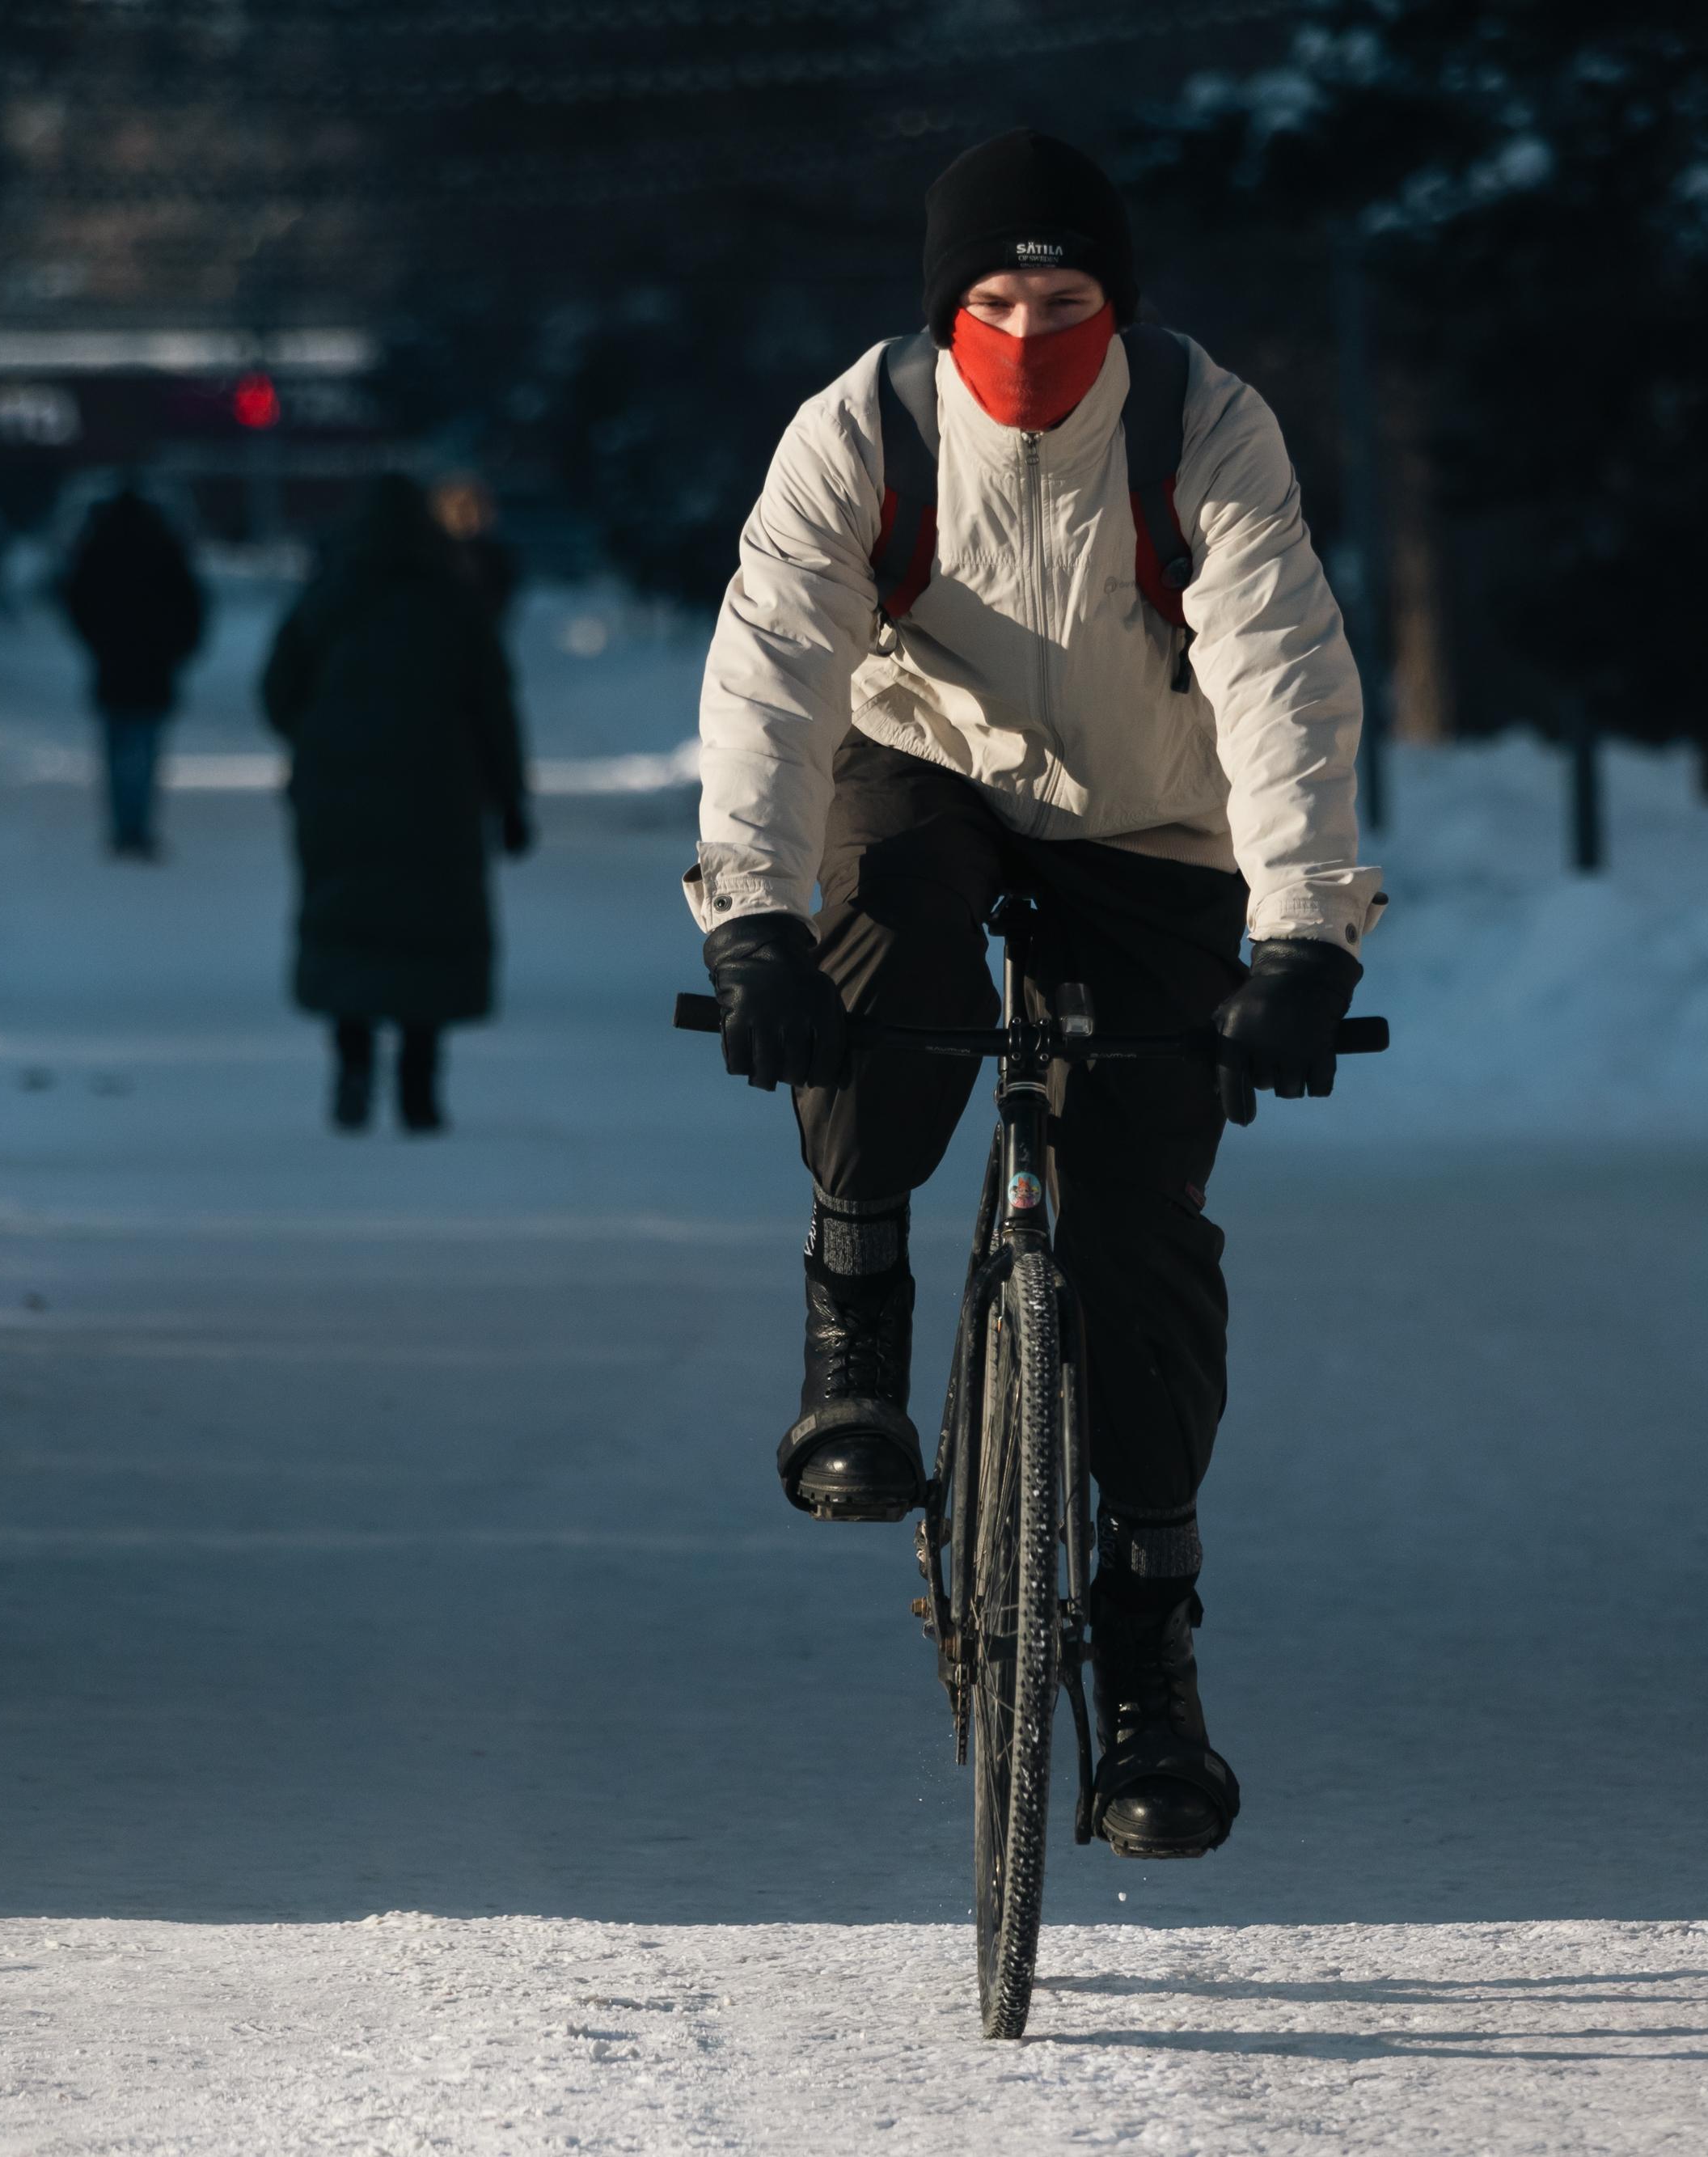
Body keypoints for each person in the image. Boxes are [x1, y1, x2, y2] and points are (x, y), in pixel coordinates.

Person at [687, 129, 1379, 1861]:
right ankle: (856, 1309)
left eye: (1064, 299)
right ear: (945, 308)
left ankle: (1146, 1648)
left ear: (1115, 304)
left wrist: (1304, 939)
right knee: (886, 937)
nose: (1026, 329)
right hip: (922, 764)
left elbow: (1281, 673)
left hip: (1152, 817)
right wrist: (754, 925)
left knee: (1140, 1222)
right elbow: (774, 670)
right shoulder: (866, 429)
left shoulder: (1200, 427)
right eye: (993, 299)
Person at [260, 474, 531, 1134]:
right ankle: (419, 1082)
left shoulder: (328, 598)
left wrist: (319, 743)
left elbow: (277, 690)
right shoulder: (454, 604)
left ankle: (352, 1065)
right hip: (439, 794)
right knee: (427, 930)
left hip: (339, 793)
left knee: (347, 925)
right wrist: (510, 800)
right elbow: (494, 709)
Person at [59, 476, 207, 860]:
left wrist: (96, 641)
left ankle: (123, 827)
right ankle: (137, 827)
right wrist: (178, 650)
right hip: (153, 668)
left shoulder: (97, 550)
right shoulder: (165, 549)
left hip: (114, 665)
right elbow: (192, 606)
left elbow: (75, 601)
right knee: (145, 749)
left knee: (117, 749)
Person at [429, 472, 520, 629]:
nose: (471, 515)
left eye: (478, 506)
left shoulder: (497, 557)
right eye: (461, 507)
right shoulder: (428, 556)